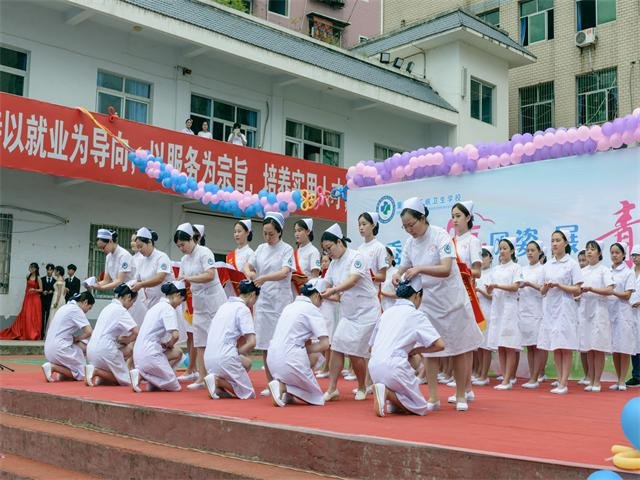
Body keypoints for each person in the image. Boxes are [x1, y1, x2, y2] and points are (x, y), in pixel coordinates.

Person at [392, 197, 482, 412]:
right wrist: (397, 274)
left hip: (451, 300)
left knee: (459, 348)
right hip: (428, 302)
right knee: (431, 350)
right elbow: (404, 265)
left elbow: (445, 268)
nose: (409, 230)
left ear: (422, 218)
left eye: (411, 225)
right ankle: (433, 396)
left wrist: (420, 269)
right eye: (405, 227)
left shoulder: (440, 235)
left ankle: (461, 394)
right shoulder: (410, 243)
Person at [320, 223, 380, 401]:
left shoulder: (356, 257)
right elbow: (327, 284)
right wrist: (325, 292)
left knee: (355, 353)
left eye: (329, 248)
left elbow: (353, 280)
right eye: (325, 251)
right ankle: (332, 389)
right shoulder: (333, 264)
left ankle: (362, 386)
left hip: (366, 313)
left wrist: (333, 291)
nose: (328, 253)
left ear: (339, 242)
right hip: (348, 313)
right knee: (337, 346)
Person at [369, 277, 444, 417]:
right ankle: (387, 393)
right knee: (420, 407)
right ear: (417, 296)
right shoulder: (416, 315)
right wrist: (417, 350)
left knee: (401, 408)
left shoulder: (387, 313)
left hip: (373, 367)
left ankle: (391, 398)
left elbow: (370, 347)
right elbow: (440, 345)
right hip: (393, 366)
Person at [244, 212, 294, 395]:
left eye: (271, 234)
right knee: (265, 343)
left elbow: (284, 272)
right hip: (263, 302)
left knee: (279, 343)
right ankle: (270, 382)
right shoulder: (260, 249)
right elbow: (247, 266)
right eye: (265, 233)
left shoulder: (286, 249)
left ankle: (283, 381)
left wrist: (264, 277)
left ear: (279, 232)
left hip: (280, 301)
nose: (268, 237)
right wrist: (250, 273)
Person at [174, 223, 227, 390]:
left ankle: (220, 375)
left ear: (191, 239)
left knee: (217, 339)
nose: (181, 248)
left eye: (183, 244)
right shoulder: (184, 259)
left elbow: (210, 275)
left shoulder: (205, 252)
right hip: (198, 302)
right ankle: (202, 378)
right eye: (178, 246)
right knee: (200, 341)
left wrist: (190, 278)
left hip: (214, 301)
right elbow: (182, 280)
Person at [267, 278, 330, 407]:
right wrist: (305, 350)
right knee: (317, 398)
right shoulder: (312, 309)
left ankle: (286, 392)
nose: (322, 303)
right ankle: (283, 387)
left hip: (271, 360)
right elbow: (325, 344)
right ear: (317, 295)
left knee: (306, 348)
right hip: (290, 359)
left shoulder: (289, 307)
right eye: (322, 299)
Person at [537, 230, 583, 394]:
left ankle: (564, 382)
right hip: (550, 307)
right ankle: (559, 380)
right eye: (552, 241)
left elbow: (578, 290)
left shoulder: (572, 264)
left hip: (565, 308)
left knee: (565, 345)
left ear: (565, 243)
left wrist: (560, 285)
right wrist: (546, 287)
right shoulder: (547, 265)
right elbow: (541, 291)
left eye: (558, 240)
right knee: (555, 346)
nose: (554, 244)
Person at [203, 280, 259, 400]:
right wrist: (237, 352)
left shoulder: (224, 306)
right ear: (252, 295)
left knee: (247, 363)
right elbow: (252, 342)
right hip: (225, 357)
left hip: (208, 359)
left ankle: (219, 384)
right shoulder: (243, 309)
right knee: (248, 393)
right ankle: (218, 381)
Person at [129, 281, 186, 392]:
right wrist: (169, 344)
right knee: (175, 386)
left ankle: (152, 380)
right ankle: (142, 375)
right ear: (178, 295)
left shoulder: (156, 307)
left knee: (178, 353)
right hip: (149, 353)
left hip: (139, 353)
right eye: (181, 301)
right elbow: (175, 335)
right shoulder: (168, 309)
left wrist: (166, 345)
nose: (179, 304)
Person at [449, 201, 482, 392]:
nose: (454, 220)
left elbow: (477, 271)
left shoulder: (473, 241)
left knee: (466, 343)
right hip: (452, 295)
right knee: (456, 342)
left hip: (467, 295)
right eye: (453, 216)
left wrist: (463, 271)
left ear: (468, 217)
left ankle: (467, 388)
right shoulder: (450, 242)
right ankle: (463, 385)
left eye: (458, 216)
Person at [486, 238, 522, 390]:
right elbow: (491, 290)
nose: (502, 251)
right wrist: (490, 289)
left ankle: (508, 379)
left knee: (509, 344)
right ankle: (503, 378)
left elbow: (515, 287)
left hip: (510, 308)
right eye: (500, 248)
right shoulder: (495, 270)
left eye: (505, 248)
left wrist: (497, 286)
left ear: (512, 250)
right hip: (498, 308)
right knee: (500, 344)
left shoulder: (516, 268)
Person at [577, 240, 613, 392]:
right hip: (585, 311)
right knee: (589, 347)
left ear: (599, 253)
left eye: (592, 249)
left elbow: (609, 290)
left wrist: (592, 289)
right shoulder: (583, 272)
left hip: (599, 311)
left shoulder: (604, 270)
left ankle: (597, 381)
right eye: (587, 249)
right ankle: (590, 379)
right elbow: (577, 289)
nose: (589, 252)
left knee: (598, 347)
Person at [85, 284, 139, 386]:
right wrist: (129, 340)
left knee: (126, 349)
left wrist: (124, 340)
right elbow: (136, 332)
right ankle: (96, 371)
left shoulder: (107, 308)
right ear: (128, 297)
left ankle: (100, 375)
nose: (132, 305)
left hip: (91, 350)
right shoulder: (121, 310)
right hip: (105, 349)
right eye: (133, 302)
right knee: (129, 381)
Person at [41, 292, 95, 382]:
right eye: (89, 308)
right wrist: (77, 338)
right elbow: (89, 331)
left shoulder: (64, 307)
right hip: (59, 348)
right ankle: (53, 367)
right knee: (83, 373)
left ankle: (60, 372)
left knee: (80, 345)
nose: (87, 311)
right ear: (85, 302)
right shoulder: (76, 310)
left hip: (48, 349)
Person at [608, 242, 637, 391]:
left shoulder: (628, 272)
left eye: (617, 253)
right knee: (615, 347)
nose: (614, 255)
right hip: (610, 312)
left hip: (624, 313)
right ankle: (617, 378)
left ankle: (622, 380)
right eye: (612, 253)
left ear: (624, 255)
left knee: (624, 347)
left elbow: (627, 295)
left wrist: (611, 292)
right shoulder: (608, 271)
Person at [518, 240, 546, 388]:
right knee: (529, 345)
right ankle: (532, 376)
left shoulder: (543, 269)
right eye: (528, 250)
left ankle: (536, 377)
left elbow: (543, 289)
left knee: (537, 345)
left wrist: (528, 284)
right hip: (524, 310)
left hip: (538, 310)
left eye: (533, 250)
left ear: (540, 252)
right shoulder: (522, 269)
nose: (529, 253)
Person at [130, 227, 174, 311]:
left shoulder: (161, 257)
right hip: (149, 302)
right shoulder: (141, 260)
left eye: (141, 246)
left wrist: (141, 285)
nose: (139, 250)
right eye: (138, 247)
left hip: (165, 301)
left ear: (149, 242)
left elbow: (159, 278)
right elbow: (138, 280)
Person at [0, 262, 43, 340]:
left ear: (36, 269)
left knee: (34, 316)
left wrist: (35, 289)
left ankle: (33, 334)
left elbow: (41, 289)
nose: (31, 269)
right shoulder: (27, 276)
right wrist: (26, 296)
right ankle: (25, 332)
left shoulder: (38, 278)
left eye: (32, 268)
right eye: (30, 267)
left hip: (35, 298)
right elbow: (26, 288)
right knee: (26, 314)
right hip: (28, 297)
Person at [473, 246, 494, 386]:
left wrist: (478, 290)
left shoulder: (493, 273)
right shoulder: (477, 274)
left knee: (486, 346)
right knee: (479, 345)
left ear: (491, 258)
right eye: (481, 256)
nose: (482, 259)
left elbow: (492, 296)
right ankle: (479, 372)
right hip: (476, 311)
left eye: (485, 256)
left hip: (488, 311)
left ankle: (484, 375)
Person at [626, 244, 640, 387]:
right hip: (631, 313)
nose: (635, 258)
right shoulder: (630, 272)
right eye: (633, 255)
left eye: (637, 255)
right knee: (634, 344)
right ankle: (636, 375)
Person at [293, 218, 321, 284]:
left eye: (299, 230)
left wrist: (300, 280)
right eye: (295, 231)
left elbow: (315, 277)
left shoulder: (313, 251)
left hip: (304, 291)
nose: (296, 234)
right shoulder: (295, 251)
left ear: (308, 231)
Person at [48, 266, 67, 331]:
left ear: (58, 272)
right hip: (60, 297)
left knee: (54, 314)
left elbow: (59, 292)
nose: (54, 272)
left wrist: (56, 301)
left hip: (57, 297)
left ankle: (53, 331)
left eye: (55, 271)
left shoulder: (59, 279)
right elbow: (64, 291)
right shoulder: (62, 279)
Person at [380, 247, 399, 312]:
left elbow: (400, 294)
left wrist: (382, 293)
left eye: (386, 255)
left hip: (392, 309)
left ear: (392, 257)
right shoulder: (379, 274)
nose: (384, 258)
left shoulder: (396, 273)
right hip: (379, 310)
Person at [41, 264, 55, 337]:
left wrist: (52, 291)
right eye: (48, 270)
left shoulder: (55, 280)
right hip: (42, 300)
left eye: (51, 270)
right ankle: (41, 333)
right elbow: (39, 288)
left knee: (49, 317)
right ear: (46, 270)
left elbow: (56, 291)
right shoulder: (42, 279)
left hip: (50, 301)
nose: (49, 271)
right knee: (41, 317)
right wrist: (43, 292)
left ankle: (47, 334)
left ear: (53, 271)